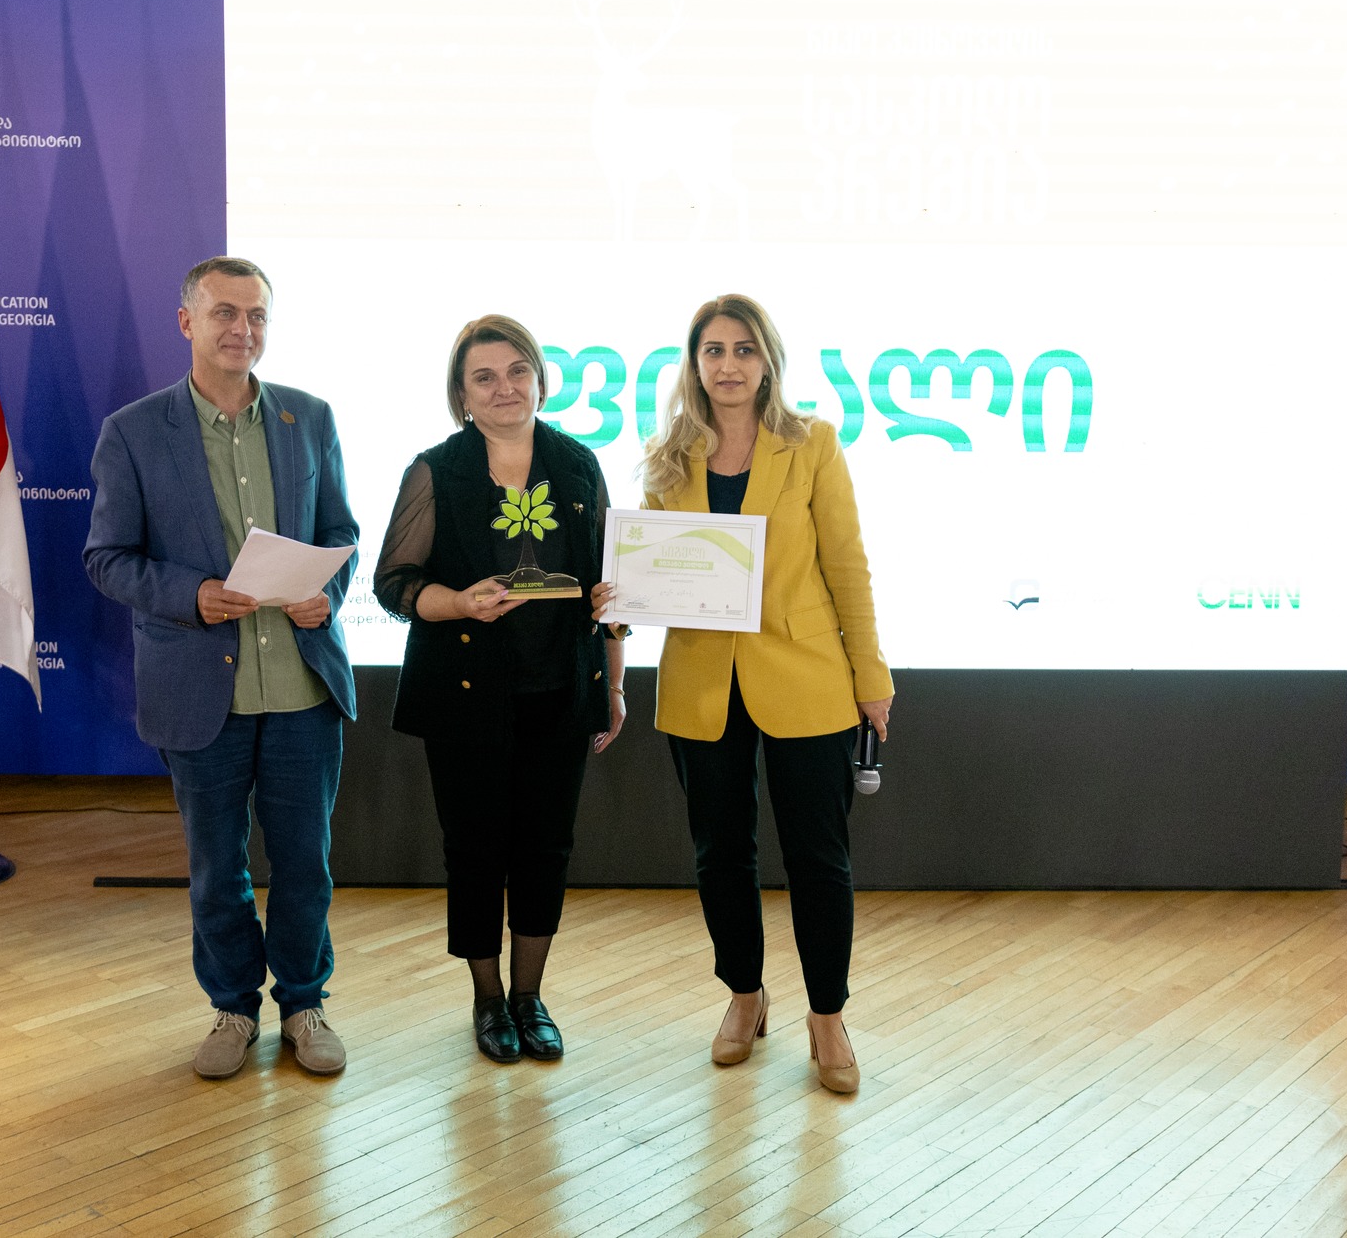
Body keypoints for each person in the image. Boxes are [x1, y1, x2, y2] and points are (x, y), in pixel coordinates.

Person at [84, 256, 358, 1081]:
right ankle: (233, 1007)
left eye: (257, 315)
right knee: (217, 869)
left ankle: (304, 1003)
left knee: (305, 863)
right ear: (187, 322)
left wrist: (327, 594)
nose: (243, 329)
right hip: (202, 692)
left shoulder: (309, 418)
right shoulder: (133, 432)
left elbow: (341, 533)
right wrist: (193, 594)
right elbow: (106, 558)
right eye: (225, 313)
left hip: (302, 685)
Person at [637, 293, 893, 1095]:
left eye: (744, 349)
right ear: (694, 364)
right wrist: (621, 598)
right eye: (713, 350)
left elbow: (847, 565)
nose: (729, 364)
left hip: (806, 676)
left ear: (768, 361)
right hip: (701, 683)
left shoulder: (812, 443)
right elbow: (652, 570)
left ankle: (828, 1015)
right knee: (720, 853)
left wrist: (872, 676)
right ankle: (745, 996)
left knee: (819, 856)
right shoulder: (667, 457)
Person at [374, 315, 628, 1064]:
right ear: (461, 394)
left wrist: (614, 685)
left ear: (540, 380)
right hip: (466, 696)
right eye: (483, 377)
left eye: (518, 371)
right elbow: (394, 583)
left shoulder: (577, 464)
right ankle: (487, 999)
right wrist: (459, 602)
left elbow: (611, 587)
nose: (504, 388)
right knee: (476, 850)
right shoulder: (435, 470)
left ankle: (529, 996)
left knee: (547, 848)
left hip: (561, 689)